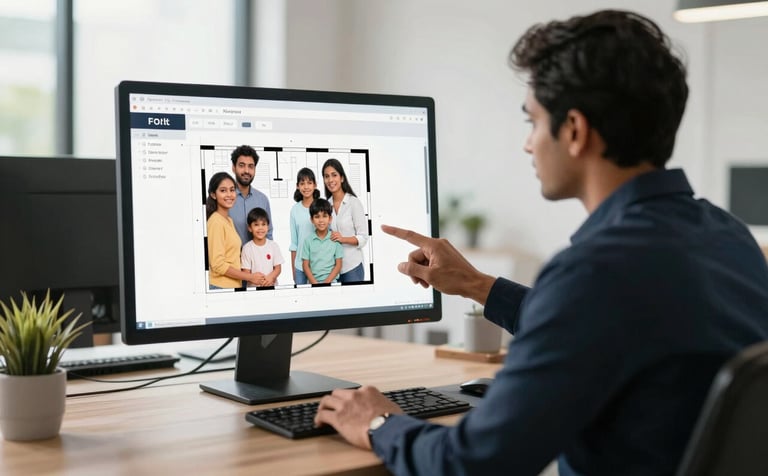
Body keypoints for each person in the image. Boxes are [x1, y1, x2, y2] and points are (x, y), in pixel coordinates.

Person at [313, 10, 768, 476]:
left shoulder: (595, 271)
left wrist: (380, 423)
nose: (528, 144)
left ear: (574, 130)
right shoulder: (728, 237)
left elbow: (473, 463)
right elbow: (602, 326)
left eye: (533, 121)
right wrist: (478, 285)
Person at [205, 172, 259, 289]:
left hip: (233, 286)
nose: (229, 194)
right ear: (213, 194)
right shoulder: (215, 222)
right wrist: (249, 277)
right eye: (223, 191)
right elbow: (218, 265)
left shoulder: (228, 220)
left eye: (232, 190)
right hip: (221, 286)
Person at [322, 158, 368, 283]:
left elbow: (363, 237)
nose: (330, 180)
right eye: (326, 176)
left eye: (334, 175)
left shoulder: (353, 202)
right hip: (332, 268)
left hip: (351, 266)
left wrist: (343, 239)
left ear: (342, 178)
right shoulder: (326, 205)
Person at [230, 145, 273, 244]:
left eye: (251, 166)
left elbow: (269, 234)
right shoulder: (226, 200)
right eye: (241, 165)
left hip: (259, 258)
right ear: (233, 167)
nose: (246, 171)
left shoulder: (262, 200)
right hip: (233, 259)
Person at [289, 167, 321, 285]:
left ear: (315, 185)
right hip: (300, 266)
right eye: (302, 183)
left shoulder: (321, 207)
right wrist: (294, 271)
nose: (306, 187)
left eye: (309, 183)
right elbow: (294, 244)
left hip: (319, 264)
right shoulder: (295, 210)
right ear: (298, 186)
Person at [302, 198, 343, 284]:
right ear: (312, 220)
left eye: (324, 216)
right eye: (317, 217)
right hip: (313, 283)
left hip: (332, 282)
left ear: (330, 219)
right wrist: (314, 283)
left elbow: (338, 265)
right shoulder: (308, 241)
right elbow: (305, 265)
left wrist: (327, 282)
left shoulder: (335, 239)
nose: (321, 220)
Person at [241, 207, 284, 288]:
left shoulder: (273, 246)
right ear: (250, 228)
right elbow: (246, 273)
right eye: (256, 225)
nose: (260, 228)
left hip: (272, 288)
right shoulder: (247, 248)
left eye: (263, 224)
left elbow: (278, 269)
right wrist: (258, 280)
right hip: (253, 291)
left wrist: (270, 277)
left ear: (268, 226)